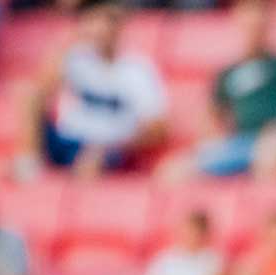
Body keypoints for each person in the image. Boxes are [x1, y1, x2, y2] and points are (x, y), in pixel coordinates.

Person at [174, 0, 276, 180]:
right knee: (177, 171)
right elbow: (212, 116)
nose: (254, 23)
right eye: (249, 17)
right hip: (239, 142)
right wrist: (215, 138)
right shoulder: (227, 72)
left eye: (260, 16)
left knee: (270, 154)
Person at [18, 0, 167, 177]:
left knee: (92, 164)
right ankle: (29, 171)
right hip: (69, 140)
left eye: (104, 20)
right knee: (26, 94)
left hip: (109, 150)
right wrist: (70, 40)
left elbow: (158, 128)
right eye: (92, 20)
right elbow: (41, 91)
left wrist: (108, 146)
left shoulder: (137, 68)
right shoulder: (76, 56)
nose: (98, 28)